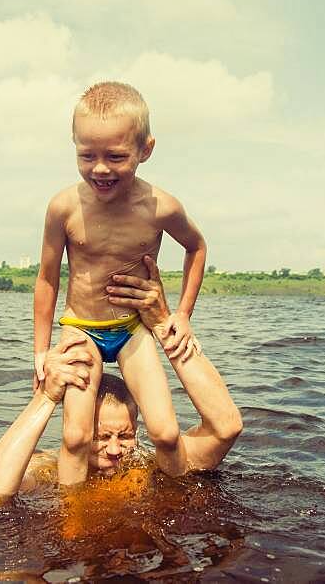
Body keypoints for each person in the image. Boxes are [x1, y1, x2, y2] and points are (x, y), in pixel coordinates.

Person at [34, 82, 208, 485]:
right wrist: (41, 353)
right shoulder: (63, 207)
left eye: (115, 156)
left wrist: (182, 314)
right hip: (81, 329)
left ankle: (171, 500)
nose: (100, 168)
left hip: (132, 330)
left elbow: (196, 247)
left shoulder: (161, 207)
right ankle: (73, 520)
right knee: (76, 436)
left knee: (165, 432)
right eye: (86, 155)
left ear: (145, 150)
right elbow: (46, 279)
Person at [0, 257, 241, 509]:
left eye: (124, 436)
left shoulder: (151, 464)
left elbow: (226, 428)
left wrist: (163, 325)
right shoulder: (49, 469)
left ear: (136, 429)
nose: (113, 451)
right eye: (100, 438)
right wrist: (46, 397)